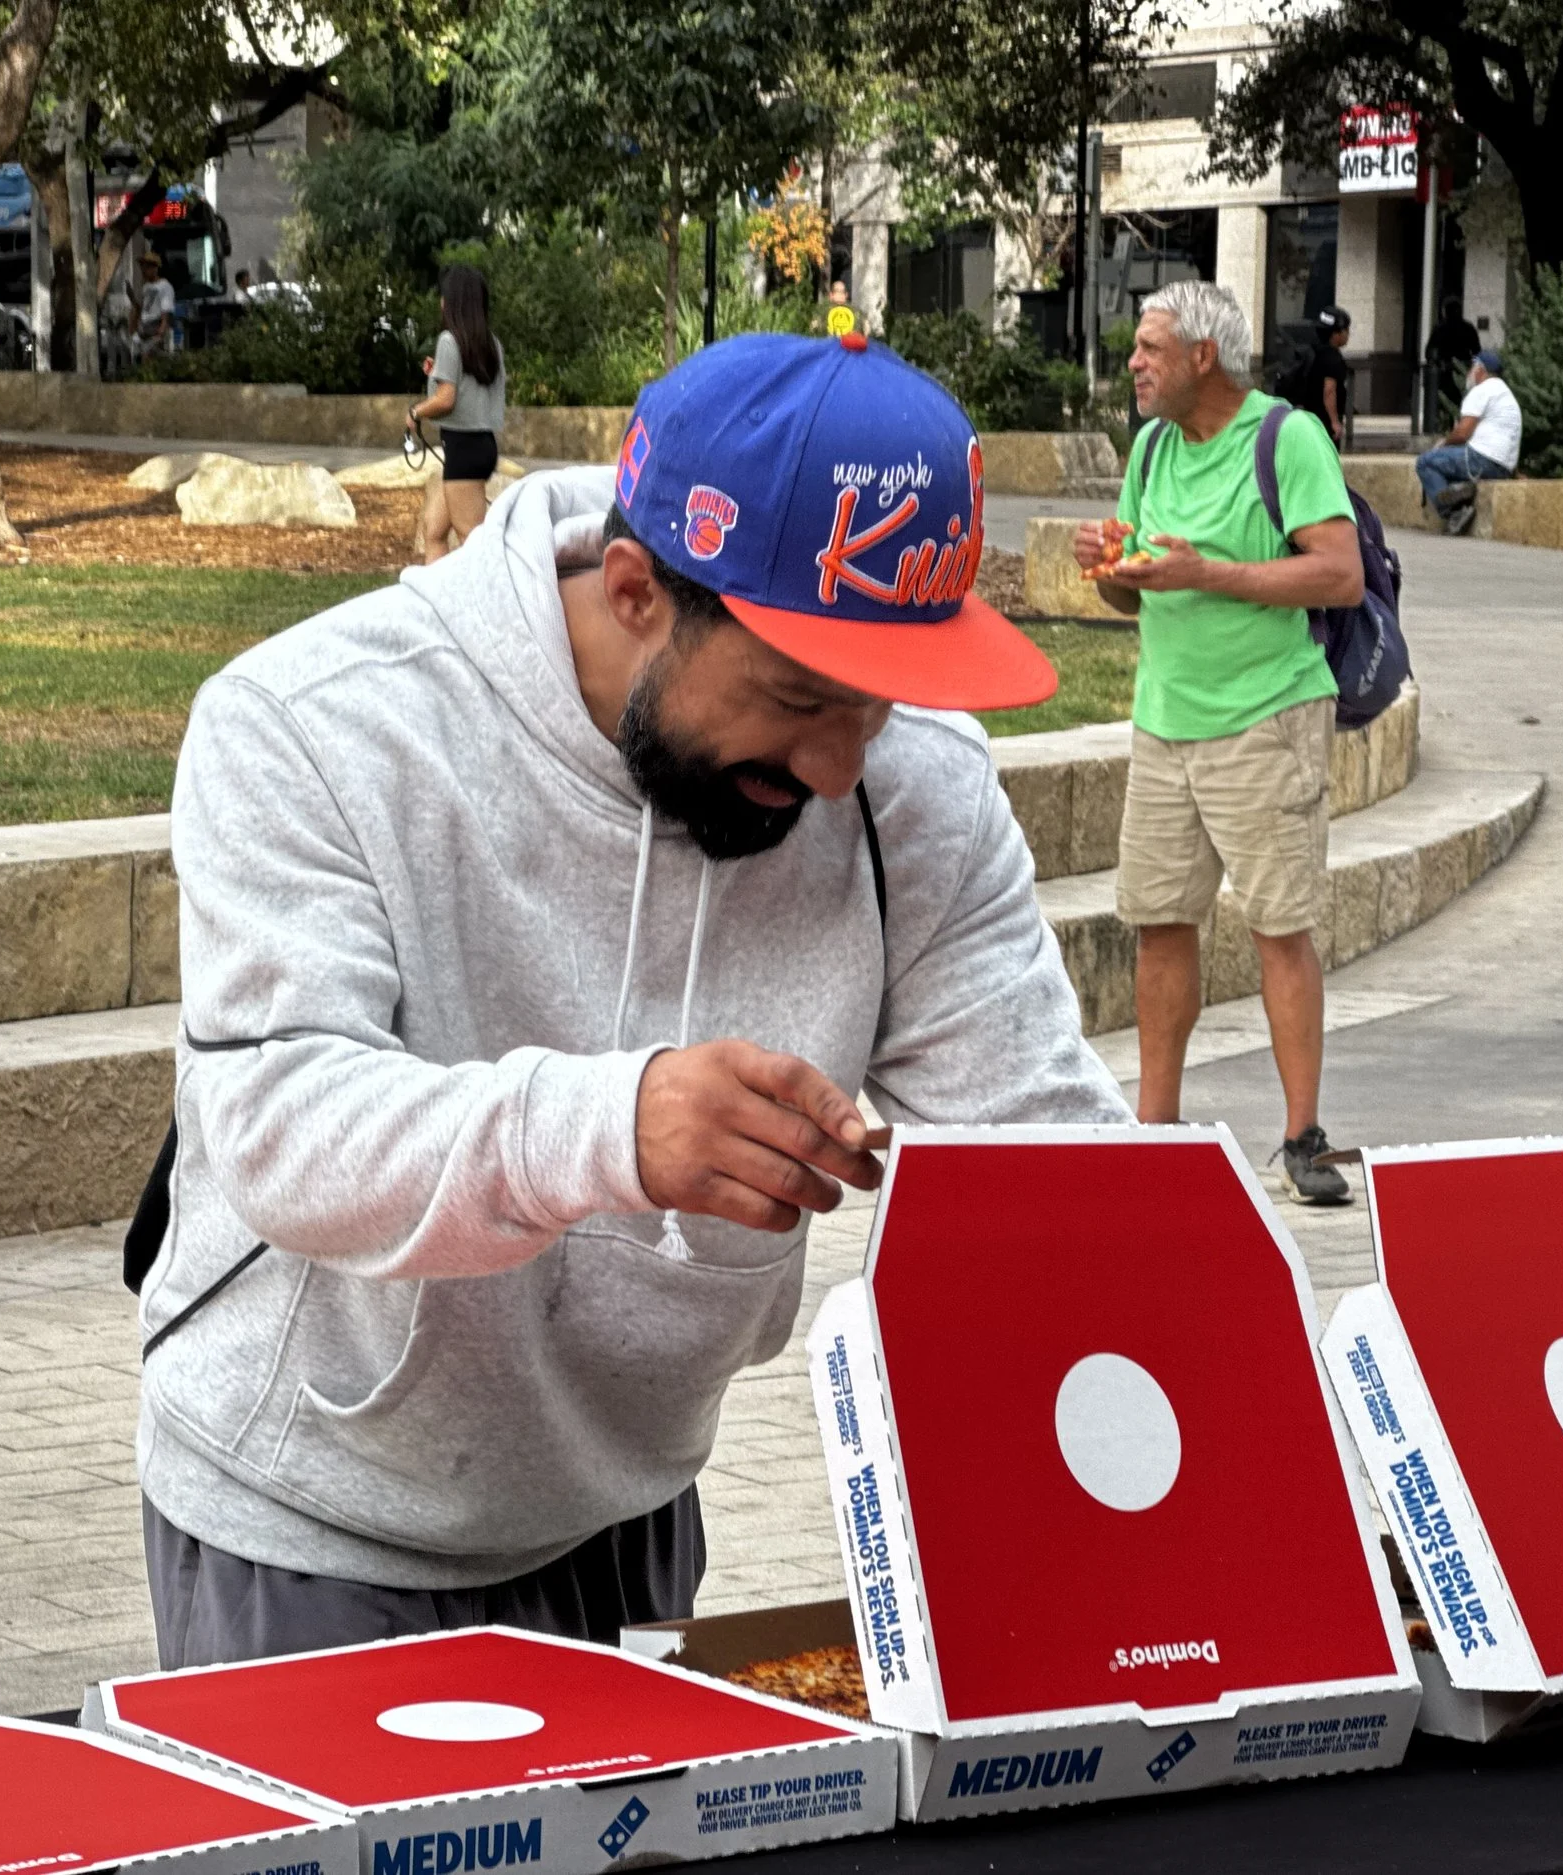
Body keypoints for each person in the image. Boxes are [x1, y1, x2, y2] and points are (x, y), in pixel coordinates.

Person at [140, 329, 1131, 1666]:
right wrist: (620, 1123)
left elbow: (1056, 1163)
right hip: (318, 1512)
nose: (842, 766)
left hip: (631, 1504)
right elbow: (281, 1128)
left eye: (882, 703)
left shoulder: (919, 789)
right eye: (798, 695)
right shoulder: (314, 725)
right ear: (632, 590)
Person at [1071, 279, 1366, 1205]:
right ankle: (1155, 1133)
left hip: (1266, 719)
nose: (1135, 362)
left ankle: (1302, 1139)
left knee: (1280, 925)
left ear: (1205, 355)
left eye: (1151, 347)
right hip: (1165, 720)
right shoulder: (1153, 445)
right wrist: (1114, 571)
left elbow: (1340, 574)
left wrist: (1210, 571)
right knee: (1161, 924)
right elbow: (1139, 594)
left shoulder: (1287, 438)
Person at [407, 263, 506, 565]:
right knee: (433, 529)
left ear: (452, 301)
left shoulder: (449, 340)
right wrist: (436, 373)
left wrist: (416, 411)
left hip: (463, 449)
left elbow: (446, 399)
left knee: (472, 540)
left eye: (444, 296)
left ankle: (486, 606)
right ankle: (438, 601)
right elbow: (465, 386)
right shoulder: (490, 344)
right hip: (481, 446)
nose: (441, 302)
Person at [1414, 349, 1522, 535]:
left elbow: (1462, 433)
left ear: (1480, 370)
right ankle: (1457, 494)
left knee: (1425, 462)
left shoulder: (1482, 390)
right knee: (1445, 466)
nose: (1469, 372)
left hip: (1480, 460)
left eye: (1472, 367)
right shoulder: (1507, 395)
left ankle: (1454, 511)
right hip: (1502, 468)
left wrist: (1442, 444)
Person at [1280, 306, 1354, 448]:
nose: (1347, 335)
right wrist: (1334, 422)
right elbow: (1329, 391)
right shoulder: (1333, 358)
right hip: (1324, 420)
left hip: (1308, 416)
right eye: (1346, 330)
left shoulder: (1313, 352)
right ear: (1336, 334)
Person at [1421, 298, 1479, 430]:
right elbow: (1476, 351)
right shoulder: (1467, 328)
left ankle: (1444, 429)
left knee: (1444, 404)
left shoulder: (1440, 328)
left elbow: (1429, 351)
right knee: (1462, 402)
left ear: (1445, 312)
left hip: (1444, 371)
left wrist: (1436, 363)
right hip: (1462, 371)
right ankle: (1460, 429)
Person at [133, 252, 178, 358]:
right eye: (142, 267)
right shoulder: (146, 287)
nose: (143, 271)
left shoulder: (165, 286)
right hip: (145, 328)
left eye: (147, 267)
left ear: (155, 268)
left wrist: (161, 332)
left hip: (156, 327)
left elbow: (166, 311)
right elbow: (144, 308)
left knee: (151, 357)